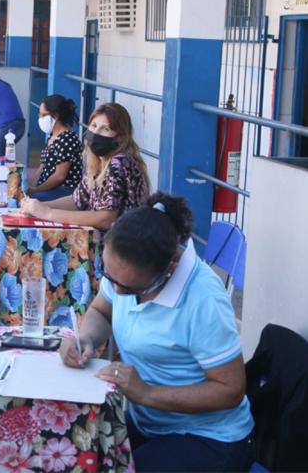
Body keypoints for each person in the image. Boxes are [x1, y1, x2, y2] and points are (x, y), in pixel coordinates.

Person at [60, 192, 255, 472]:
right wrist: (85, 340)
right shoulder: (127, 268)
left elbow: (230, 390)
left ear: (170, 268)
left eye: (128, 288)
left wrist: (147, 393)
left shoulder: (203, 300)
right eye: (109, 276)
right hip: (151, 424)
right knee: (79, 451)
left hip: (210, 438)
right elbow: (102, 312)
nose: (116, 291)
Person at [21, 102, 149, 230]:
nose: (96, 133)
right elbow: (77, 200)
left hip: (125, 244)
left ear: (120, 138)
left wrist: (47, 213)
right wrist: (39, 207)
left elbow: (105, 219)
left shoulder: (119, 162)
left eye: (105, 129)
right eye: (93, 126)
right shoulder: (98, 161)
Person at [26, 94, 83, 202]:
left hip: (64, 191)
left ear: (55, 116)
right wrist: (32, 187)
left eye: (43, 115)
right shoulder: (52, 136)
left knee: (29, 202)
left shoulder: (67, 139)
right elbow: (42, 166)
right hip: (49, 189)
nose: (40, 118)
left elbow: (59, 176)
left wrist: (36, 190)